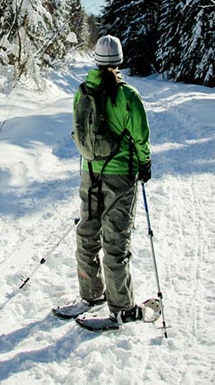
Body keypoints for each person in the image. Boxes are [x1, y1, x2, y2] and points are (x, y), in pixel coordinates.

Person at [54, 34, 152, 325]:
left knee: (87, 232)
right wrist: (144, 164)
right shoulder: (128, 95)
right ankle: (121, 307)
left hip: (90, 172)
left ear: (96, 60)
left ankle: (91, 293)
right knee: (115, 241)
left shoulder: (82, 91)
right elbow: (140, 138)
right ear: (120, 60)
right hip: (120, 176)